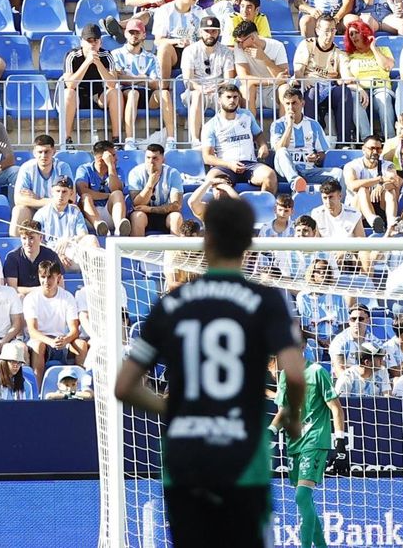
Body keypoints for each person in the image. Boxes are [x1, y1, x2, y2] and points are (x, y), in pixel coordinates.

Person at [114, 198, 306, 548]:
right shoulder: (266, 300)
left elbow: (125, 385)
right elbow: (294, 374)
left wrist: (174, 410)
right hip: (242, 452)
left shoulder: (171, 303)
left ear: (206, 241)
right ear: (249, 243)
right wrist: (292, 418)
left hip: (186, 455)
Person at [273, 355, 349, 548]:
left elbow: (336, 408)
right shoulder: (284, 377)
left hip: (315, 439)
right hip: (294, 442)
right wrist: (271, 430)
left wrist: (340, 442)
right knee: (305, 502)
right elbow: (284, 411)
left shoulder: (317, 372)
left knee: (302, 496)